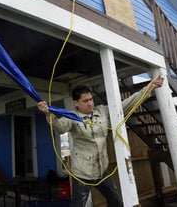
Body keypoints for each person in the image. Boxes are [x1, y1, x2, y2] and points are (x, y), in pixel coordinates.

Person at [37, 76, 164, 207]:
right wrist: (48, 114)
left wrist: (149, 87)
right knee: (77, 205)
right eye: (85, 101)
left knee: (116, 202)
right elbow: (60, 127)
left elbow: (125, 105)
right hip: (81, 172)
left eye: (91, 99)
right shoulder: (72, 117)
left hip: (101, 170)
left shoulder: (102, 111)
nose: (90, 103)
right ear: (76, 103)